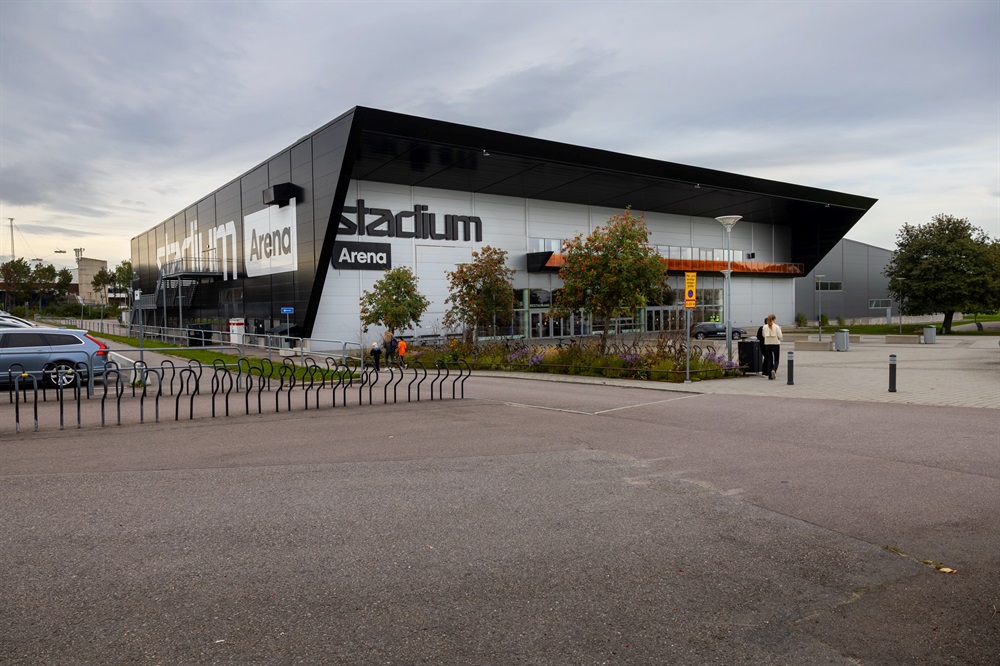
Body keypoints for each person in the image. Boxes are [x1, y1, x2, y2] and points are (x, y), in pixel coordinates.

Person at [761, 313, 783, 380]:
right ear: (774, 319)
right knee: (776, 360)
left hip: (767, 344)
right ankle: (774, 370)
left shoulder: (764, 327)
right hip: (775, 344)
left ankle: (770, 376)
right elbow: (780, 336)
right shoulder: (776, 326)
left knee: (769, 359)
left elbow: (763, 335)